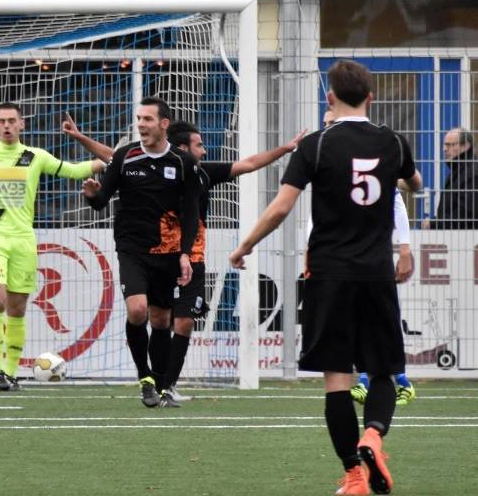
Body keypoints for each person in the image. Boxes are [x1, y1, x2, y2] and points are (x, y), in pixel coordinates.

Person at [230, 60, 422, 495]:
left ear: (329, 98)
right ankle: (373, 434)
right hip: (376, 275)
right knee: (384, 372)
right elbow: (416, 183)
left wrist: (245, 246)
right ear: (371, 98)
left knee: (337, 379)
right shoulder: (393, 141)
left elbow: (281, 208)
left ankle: (354, 476)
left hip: (328, 273)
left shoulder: (316, 144)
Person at [64, 114, 303, 405]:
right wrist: (80, 138)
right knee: (154, 316)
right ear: (182, 148)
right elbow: (114, 157)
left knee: (184, 322)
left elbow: (249, 163)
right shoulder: (150, 163)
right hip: (160, 255)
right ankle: (152, 380)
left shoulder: (201, 172)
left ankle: (168, 386)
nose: (204, 151)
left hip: (194, 257)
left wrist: (286, 148)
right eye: (199, 145)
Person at [0, 102, 104, 391]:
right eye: (1, 121)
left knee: (17, 310)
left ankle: (9, 373)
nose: (6, 125)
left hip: (23, 241)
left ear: (22, 125)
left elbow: (73, 170)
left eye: (12, 121)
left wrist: (110, 160)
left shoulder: (35, 156)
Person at [80, 97, 199, 408]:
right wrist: (92, 195)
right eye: (139, 118)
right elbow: (101, 200)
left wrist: (185, 253)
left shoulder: (182, 163)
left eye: (148, 119)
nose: (141, 124)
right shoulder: (125, 158)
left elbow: (190, 214)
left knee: (161, 320)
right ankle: (144, 376)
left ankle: (161, 386)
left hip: (168, 252)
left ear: (163, 124)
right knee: (137, 310)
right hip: (132, 249)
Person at [307, 110, 418, 408]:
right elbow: (315, 218)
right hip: (337, 263)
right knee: (353, 329)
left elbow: (400, 194)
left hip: (368, 264)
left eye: (332, 123)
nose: (328, 129)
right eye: (326, 124)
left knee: (375, 328)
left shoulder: (370, 162)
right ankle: (376, 383)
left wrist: (404, 248)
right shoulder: (327, 162)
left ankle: (395, 381)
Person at [427, 128, 477, 229]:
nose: (444, 149)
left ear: (465, 146)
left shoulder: (472, 173)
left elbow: (466, 215)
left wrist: (434, 224)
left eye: (450, 145)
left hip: (466, 240)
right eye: (444, 144)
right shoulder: (459, 171)